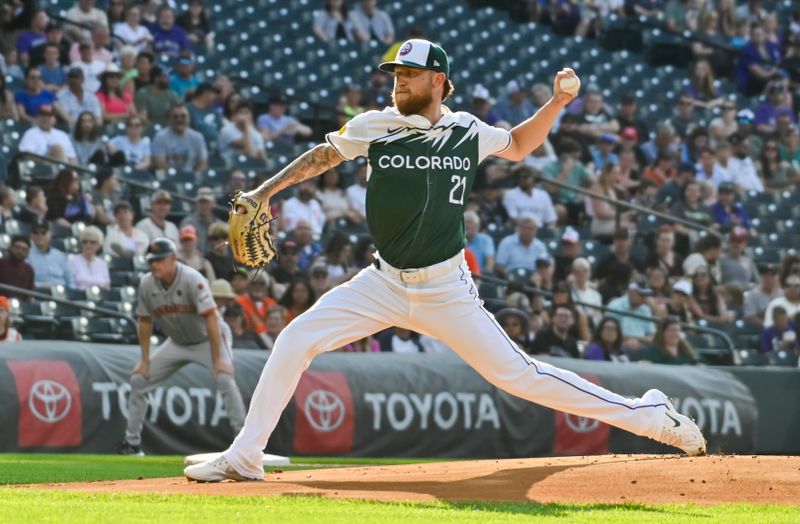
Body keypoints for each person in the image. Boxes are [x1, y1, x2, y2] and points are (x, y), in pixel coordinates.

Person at [185, 39, 704, 483]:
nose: (397, 83)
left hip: (446, 288)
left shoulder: (467, 130)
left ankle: (649, 415)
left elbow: (521, 145)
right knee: (296, 338)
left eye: (408, 75)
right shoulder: (375, 125)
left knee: (518, 375)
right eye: (394, 74)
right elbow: (323, 156)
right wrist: (264, 190)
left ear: (438, 81)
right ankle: (245, 457)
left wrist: (556, 102)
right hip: (382, 281)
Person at [119, 238, 247, 455]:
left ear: (172, 258)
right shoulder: (146, 283)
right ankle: (131, 444)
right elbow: (145, 321)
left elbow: (212, 320)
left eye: (159, 260)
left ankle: (245, 444)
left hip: (208, 338)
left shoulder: (192, 279)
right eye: (151, 260)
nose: (154, 264)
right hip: (176, 343)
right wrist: (144, 361)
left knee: (225, 378)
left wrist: (217, 360)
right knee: (139, 379)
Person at [151, 104, 208, 171]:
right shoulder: (160, 137)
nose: (179, 120)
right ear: (169, 119)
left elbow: (203, 163)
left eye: (183, 116)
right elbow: (160, 164)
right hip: (168, 177)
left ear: (189, 119)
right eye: (175, 117)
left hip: (192, 177)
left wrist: (197, 176)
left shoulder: (198, 137)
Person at [607, 281, 657, 352]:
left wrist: (637, 340)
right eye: (641, 294)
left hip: (642, 346)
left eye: (646, 295)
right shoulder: (615, 306)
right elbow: (610, 333)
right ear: (631, 292)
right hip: (619, 345)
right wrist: (639, 339)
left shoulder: (646, 309)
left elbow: (652, 335)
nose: (644, 298)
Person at [27, 218, 70, 288]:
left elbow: (70, 280)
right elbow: (25, 282)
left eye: (43, 232)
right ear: (31, 236)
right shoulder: (27, 255)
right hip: (41, 293)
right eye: (35, 232)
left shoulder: (59, 255)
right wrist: (41, 285)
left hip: (62, 293)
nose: (39, 235)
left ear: (50, 235)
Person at [219, 101, 267, 166]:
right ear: (235, 115)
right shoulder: (226, 130)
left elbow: (262, 155)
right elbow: (247, 148)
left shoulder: (255, 133)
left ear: (251, 115)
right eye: (241, 113)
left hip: (248, 164)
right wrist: (246, 126)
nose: (244, 116)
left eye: (246, 112)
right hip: (230, 165)